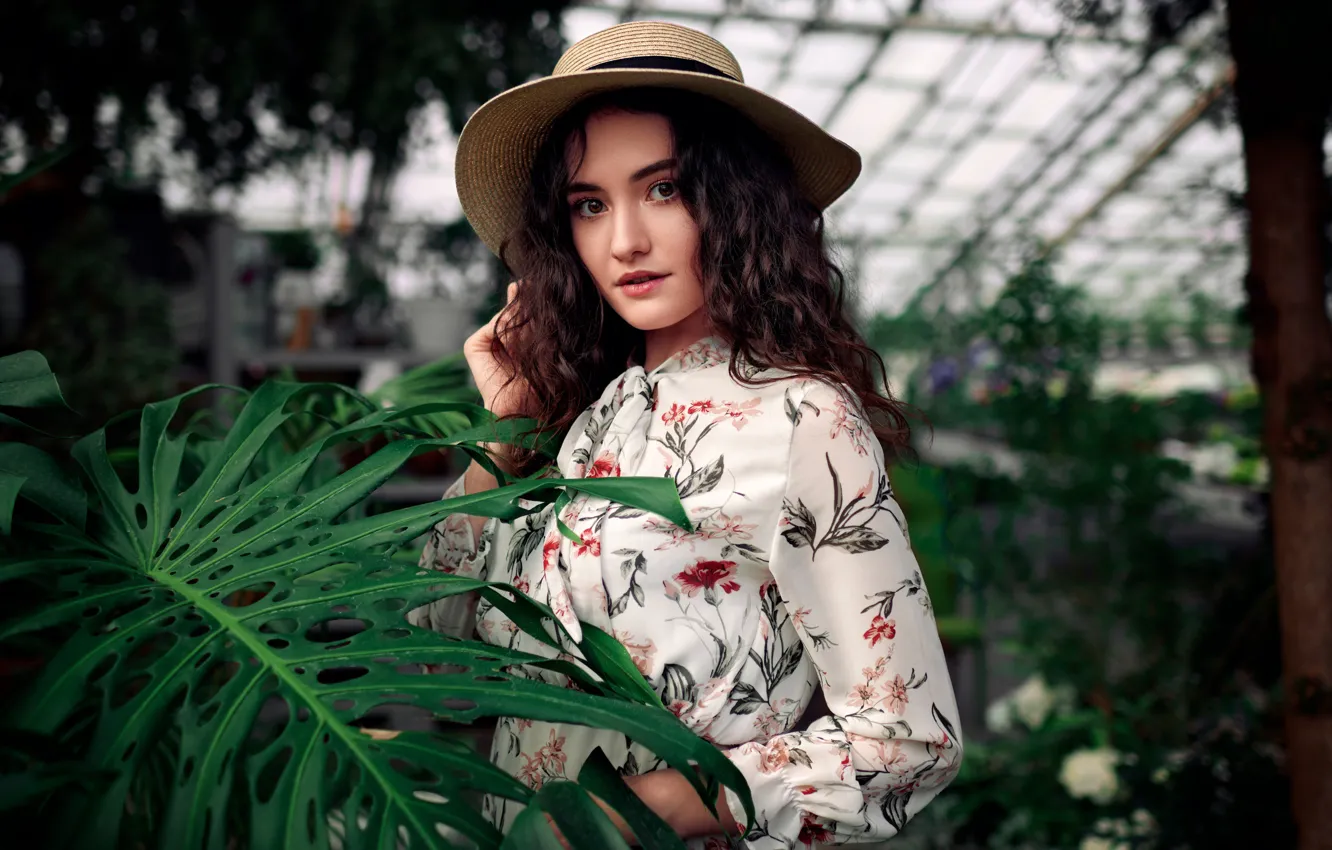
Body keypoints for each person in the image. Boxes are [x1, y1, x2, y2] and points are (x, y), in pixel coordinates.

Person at [409, 20, 963, 849]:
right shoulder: (577, 426)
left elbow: (908, 742)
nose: (625, 239)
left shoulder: (801, 419)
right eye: (590, 205)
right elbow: (431, 656)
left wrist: (649, 807)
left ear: (734, 202)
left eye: (662, 188)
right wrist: (507, 435)